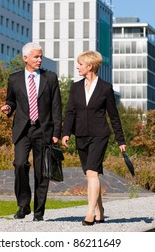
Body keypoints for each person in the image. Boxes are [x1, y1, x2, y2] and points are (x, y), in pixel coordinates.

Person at [62, 51, 126, 226]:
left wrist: (120, 140)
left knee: (92, 172)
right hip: (81, 135)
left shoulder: (105, 88)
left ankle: (90, 213)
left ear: (89, 66)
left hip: (99, 135)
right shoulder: (75, 87)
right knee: (90, 175)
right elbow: (70, 112)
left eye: (80, 64)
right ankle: (100, 210)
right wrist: (66, 132)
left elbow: (114, 116)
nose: (78, 67)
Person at [1, 42, 62, 221]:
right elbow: (11, 101)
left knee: (41, 172)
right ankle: (23, 205)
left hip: (44, 130)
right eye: (36, 56)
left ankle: (39, 212)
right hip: (22, 130)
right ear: (25, 58)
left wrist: (57, 132)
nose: (39, 59)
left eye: (41, 56)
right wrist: (8, 107)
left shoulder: (50, 78)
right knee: (19, 165)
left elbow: (56, 106)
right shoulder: (14, 79)